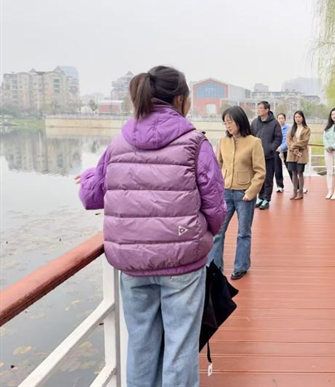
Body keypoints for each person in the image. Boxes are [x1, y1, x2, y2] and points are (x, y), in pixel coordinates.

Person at [76, 66, 226, 387]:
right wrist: (200, 235)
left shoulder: (118, 143)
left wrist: (89, 175)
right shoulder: (195, 143)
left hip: (133, 264)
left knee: (141, 345)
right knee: (180, 347)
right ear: (180, 99)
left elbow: (91, 196)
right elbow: (216, 208)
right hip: (183, 262)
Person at [209, 106, 266, 281]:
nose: (227, 125)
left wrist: (251, 192)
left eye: (230, 122)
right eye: (225, 122)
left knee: (243, 233)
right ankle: (215, 267)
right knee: (218, 231)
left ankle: (241, 266)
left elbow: (260, 171)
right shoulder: (223, 141)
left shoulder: (254, 142)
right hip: (225, 193)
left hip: (244, 194)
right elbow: (217, 166)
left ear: (240, 122)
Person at [251, 101, 282, 210]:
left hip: (269, 156)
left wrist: (271, 148)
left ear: (267, 110)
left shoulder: (275, 123)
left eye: (261, 108)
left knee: (268, 178)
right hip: (257, 156)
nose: (258, 110)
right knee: (259, 177)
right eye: (258, 108)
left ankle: (266, 199)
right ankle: (260, 197)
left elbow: (278, 138)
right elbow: (250, 136)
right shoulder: (255, 122)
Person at [286, 110, 311, 200]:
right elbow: (288, 140)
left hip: (301, 154)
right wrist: (294, 149)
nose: (297, 119)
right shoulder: (291, 129)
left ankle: (300, 192)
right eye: (296, 117)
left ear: (303, 118)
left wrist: (294, 146)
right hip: (292, 154)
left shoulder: (307, 129)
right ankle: (294, 191)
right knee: (293, 172)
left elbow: (304, 141)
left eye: (299, 117)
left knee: (300, 172)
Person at [275, 112, 292, 193]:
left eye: (282, 118)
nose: (281, 120)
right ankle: (279, 186)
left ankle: (297, 186)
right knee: (277, 169)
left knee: (290, 168)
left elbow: (288, 140)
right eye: (279, 118)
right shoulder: (275, 127)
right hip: (276, 151)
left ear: (285, 119)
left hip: (285, 150)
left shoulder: (289, 128)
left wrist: (281, 147)